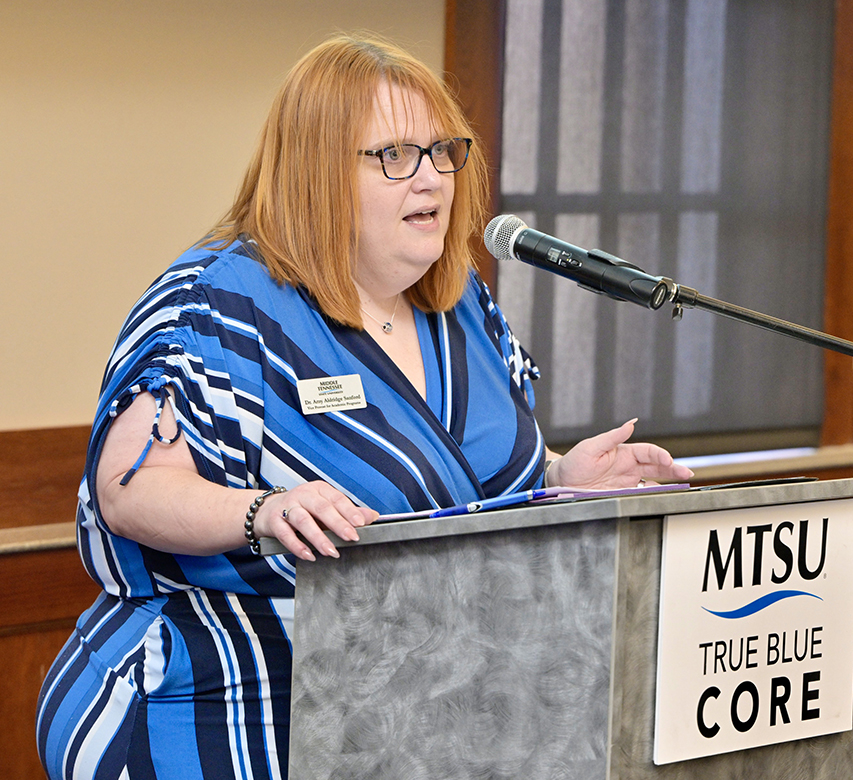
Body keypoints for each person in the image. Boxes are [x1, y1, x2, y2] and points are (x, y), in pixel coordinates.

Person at [35, 32, 691, 780]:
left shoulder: (460, 304)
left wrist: (560, 474)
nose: (432, 180)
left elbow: (454, 476)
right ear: (316, 171)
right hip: (224, 702)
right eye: (395, 156)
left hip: (405, 713)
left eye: (443, 151)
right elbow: (129, 489)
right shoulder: (216, 304)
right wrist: (262, 513)